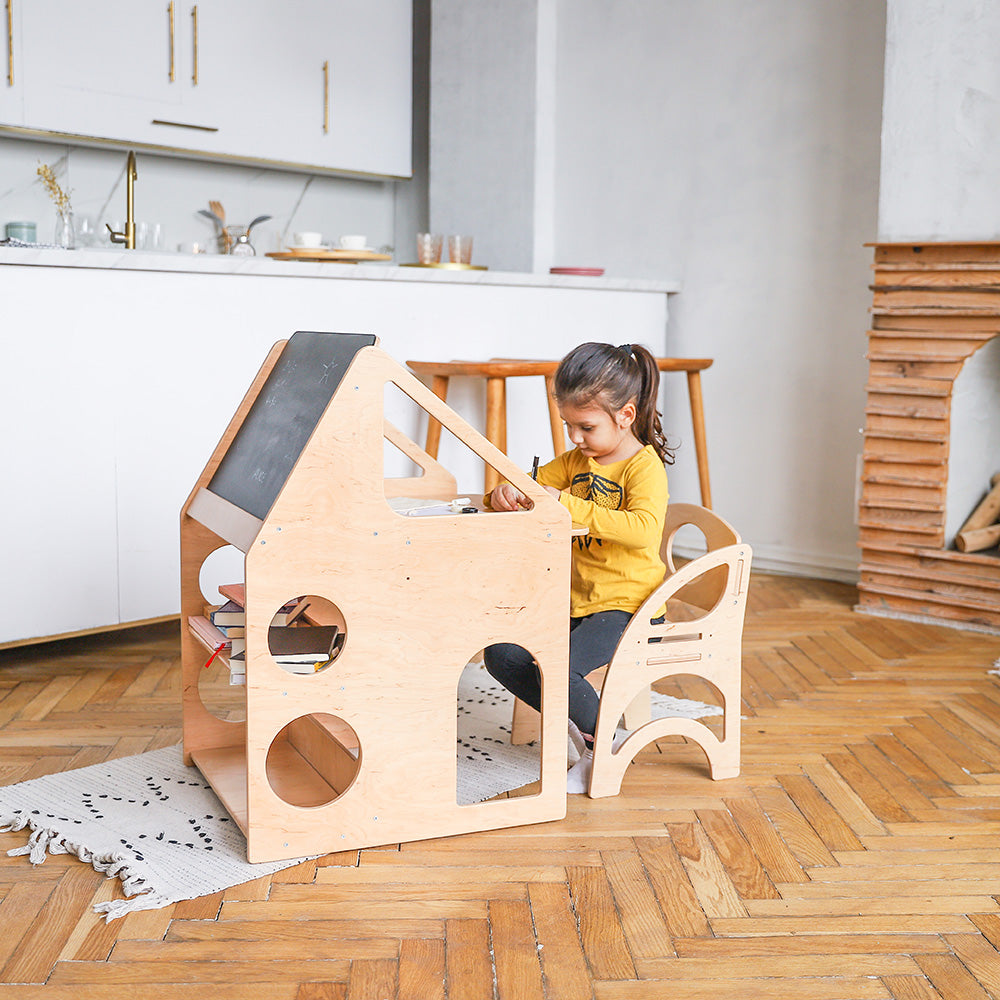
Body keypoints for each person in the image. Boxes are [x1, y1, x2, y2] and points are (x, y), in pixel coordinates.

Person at [483, 342, 673, 793]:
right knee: (502, 654)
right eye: (569, 425)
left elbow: (645, 530)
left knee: (560, 666)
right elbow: (526, 486)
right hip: (578, 602)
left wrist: (565, 503)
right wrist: (504, 494)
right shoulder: (575, 462)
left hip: (629, 608)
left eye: (585, 427)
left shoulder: (641, 468)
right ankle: (581, 725)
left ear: (625, 416)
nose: (574, 438)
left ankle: (603, 745)